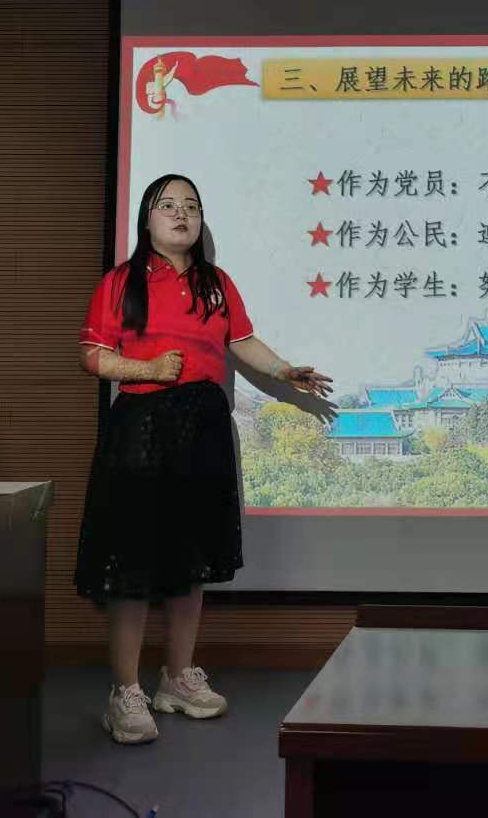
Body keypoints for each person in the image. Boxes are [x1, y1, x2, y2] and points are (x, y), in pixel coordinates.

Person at [75, 173, 331, 744]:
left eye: (191, 205)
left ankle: (176, 677)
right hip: (142, 426)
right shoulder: (121, 282)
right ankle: (125, 692)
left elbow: (241, 341)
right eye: (168, 205)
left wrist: (284, 370)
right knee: (133, 563)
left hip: (204, 427)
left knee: (191, 559)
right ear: (146, 218)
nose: (181, 214)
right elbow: (92, 355)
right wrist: (145, 369)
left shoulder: (217, 283)